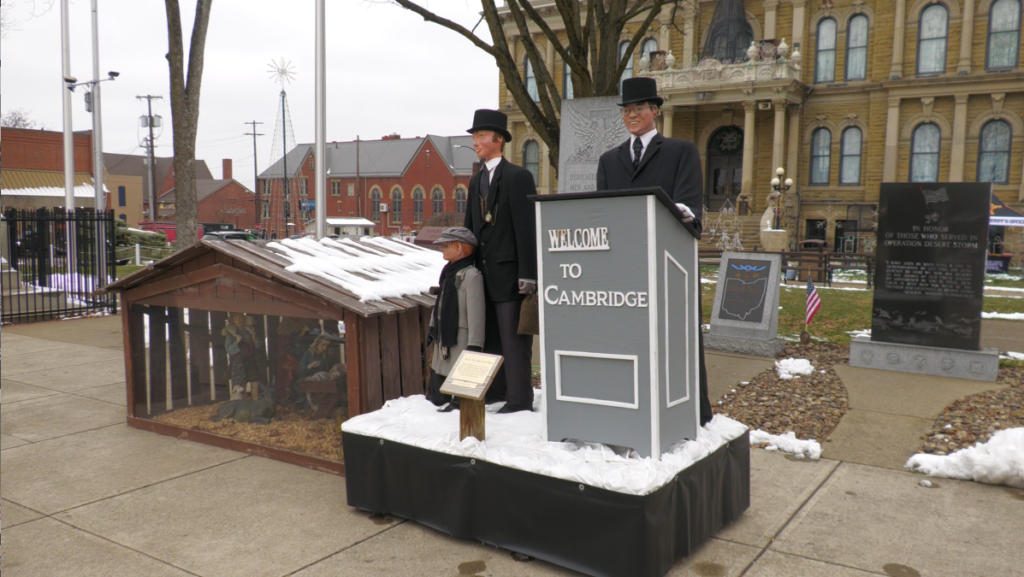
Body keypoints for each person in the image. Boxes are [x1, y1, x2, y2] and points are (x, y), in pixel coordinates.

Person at [595, 77, 713, 426]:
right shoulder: (608, 160)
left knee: (675, 339)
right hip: (625, 268)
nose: (631, 115)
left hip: (668, 265)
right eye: (626, 110)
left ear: (655, 111)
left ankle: (688, 409)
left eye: (639, 109)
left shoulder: (681, 151)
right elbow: (604, 216)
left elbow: (689, 209)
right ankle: (629, 405)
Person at [463, 109, 538, 414]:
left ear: (498, 139)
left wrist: (529, 274)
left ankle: (519, 400)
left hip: (509, 277)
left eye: (480, 136)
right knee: (489, 337)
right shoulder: (475, 180)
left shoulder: (519, 177)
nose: (476, 142)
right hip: (481, 275)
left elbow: (527, 228)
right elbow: (470, 230)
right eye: (474, 137)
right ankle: (496, 392)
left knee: (513, 342)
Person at [426, 227, 486, 411]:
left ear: (459, 248)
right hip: (443, 337)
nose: (441, 248)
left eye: (446, 245)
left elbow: (477, 312)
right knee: (438, 382)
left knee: (460, 380)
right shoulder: (447, 272)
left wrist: (475, 343)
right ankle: (437, 403)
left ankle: (458, 405)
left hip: (460, 338)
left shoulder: (471, 276)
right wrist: (432, 325)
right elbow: (440, 303)